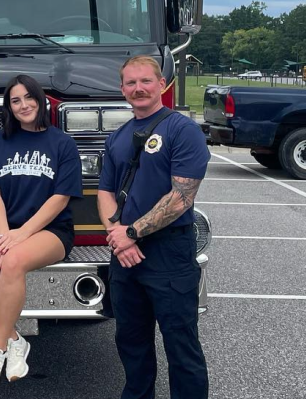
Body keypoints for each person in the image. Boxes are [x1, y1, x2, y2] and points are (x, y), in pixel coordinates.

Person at [98, 55, 209, 399]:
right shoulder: (118, 136)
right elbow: (104, 192)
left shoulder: (182, 129)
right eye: (130, 83)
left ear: (162, 84)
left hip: (169, 253)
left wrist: (131, 234)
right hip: (125, 257)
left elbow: (182, 196)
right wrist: (119, 236)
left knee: (181, 345)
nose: (138, 88)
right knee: (131, 342)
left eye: (145, 81)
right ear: (122, 90)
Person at [0, 74, 82, 390]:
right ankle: (15, 339)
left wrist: (20, 236)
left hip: (51, 230)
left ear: (40, 100)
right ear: (9, 106)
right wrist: (5, 233)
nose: (23, 105)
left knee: (12, 261)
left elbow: (60, 199)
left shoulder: (62, 143)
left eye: (28, 98)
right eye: (15, 100)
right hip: (7, 225)